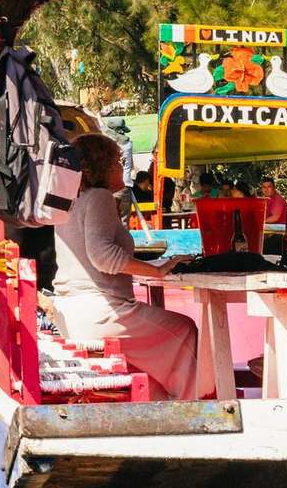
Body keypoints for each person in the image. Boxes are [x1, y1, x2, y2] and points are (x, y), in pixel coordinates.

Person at [53, 133, 200, 401]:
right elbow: (103, 257)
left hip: (72, 312)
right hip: (102, 312)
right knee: (186, 330)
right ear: (104, 166)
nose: (124, 168)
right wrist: (158, 270)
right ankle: (198, 408)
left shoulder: (71, 202)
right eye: (118, 161)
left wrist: (158, 265)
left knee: (153, 382)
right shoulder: (98, 197)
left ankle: (166, 411)